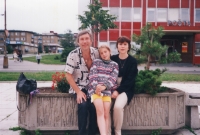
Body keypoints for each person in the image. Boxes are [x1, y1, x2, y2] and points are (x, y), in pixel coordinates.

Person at [65, 30, 99, 135]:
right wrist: (78, 92)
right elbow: (68, 75)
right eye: (82, 39)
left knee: (94, 106)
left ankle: (93, 132)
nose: (84, 41)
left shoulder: (96, 53)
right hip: (79, 86)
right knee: (83, 106)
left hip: (93, 87)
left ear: (91, 41)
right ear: (78, 42)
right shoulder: (73, 55)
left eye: (87, 39)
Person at [87, 45, 119, 135]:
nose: (104, 54)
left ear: (109, 52)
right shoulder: (96, 62)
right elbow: (92, 76)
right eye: (101, 53)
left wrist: (104, 86)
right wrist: (97, 87)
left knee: (106, 113)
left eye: (105, 52)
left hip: (107, 91)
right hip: (95, 90)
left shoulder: (115, 65)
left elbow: (113, 78)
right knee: (100, 111)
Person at [110, 36, 138, 135]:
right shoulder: (112, 59)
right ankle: (107, 131)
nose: (122, 46)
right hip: (110, 87)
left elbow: (130, 80)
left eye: (125, 44)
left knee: (117, 107)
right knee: (105, 105)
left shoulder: (132, 61)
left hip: (125, 89)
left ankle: (117, 131)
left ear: (129, 47)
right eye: (120, 44)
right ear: (117, 46)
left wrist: (118, 91)